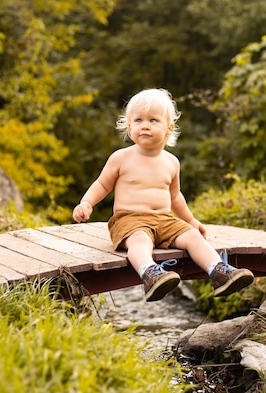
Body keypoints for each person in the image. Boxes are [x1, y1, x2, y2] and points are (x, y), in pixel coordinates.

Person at [73, 88, 254, 301]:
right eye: (138, 120)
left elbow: (175, 197)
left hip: (164, 220)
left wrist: (190, 220)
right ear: (129, 126)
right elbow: (102, 185)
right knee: (140, 241)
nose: (145, 125)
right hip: (130, 221)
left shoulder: (171, 162)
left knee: (193, 237)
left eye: (153, 120)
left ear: (169, 129)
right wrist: (86, 202)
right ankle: (150, 274)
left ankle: (219, 271)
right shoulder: (121, 158)